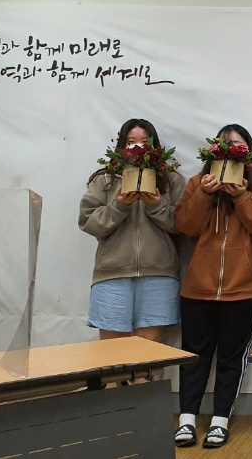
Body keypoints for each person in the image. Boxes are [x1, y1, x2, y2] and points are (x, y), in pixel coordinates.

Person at [173, 124, 252, 449]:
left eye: (237, 146)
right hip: (198, 287)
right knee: (194, 357)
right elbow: (185, 226)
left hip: (244, 288)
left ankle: (220, 421)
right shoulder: (197, 183)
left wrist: (242, 195)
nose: (230, 151)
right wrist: (205, 194)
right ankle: (187, 420)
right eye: (224, 146)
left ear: (248, 153)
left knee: (231, 359)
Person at [78, 118, 185, 344]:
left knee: (149, 353)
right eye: (131, 142)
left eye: (144, 142)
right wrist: (119, 206)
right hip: (112, 275)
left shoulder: (171, 180)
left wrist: (156, 206)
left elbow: (183, 225)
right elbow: (89, 223)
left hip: (159, 275)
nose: (138, 147)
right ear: (122, 146)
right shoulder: (105, 180)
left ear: (155, 146)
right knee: (113, 353)